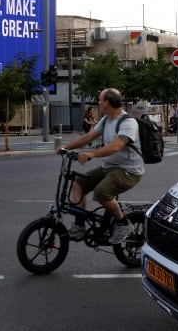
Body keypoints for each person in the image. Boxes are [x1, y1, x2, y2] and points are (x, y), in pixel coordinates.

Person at [60, 88, 144, 245]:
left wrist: (92, 154)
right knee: (78, 182)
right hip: (109, 168)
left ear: (106, 103)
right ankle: (79, 225)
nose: (98, 102)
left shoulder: (128, 122)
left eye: (100, 99)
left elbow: (116, 146)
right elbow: (88, 137)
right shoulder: (106, 120)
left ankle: (123, 223)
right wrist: (66, 148)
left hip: (128, 171)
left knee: (101, 192)